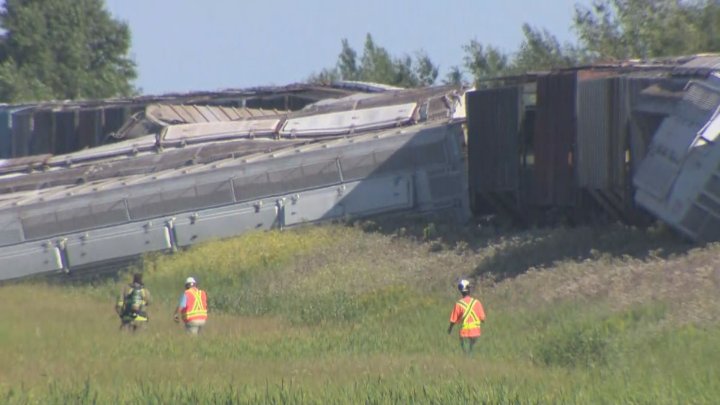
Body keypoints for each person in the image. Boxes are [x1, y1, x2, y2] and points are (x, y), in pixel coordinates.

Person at [447, 279, 485, 355]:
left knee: (466, 354)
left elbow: (453, 320)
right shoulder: (476, 303)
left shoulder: (458, 304)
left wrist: (450, 329)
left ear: (461, 291)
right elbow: (483, 318)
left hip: (464, 334)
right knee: (473, 354)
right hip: (476, 333)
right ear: (469, 290)